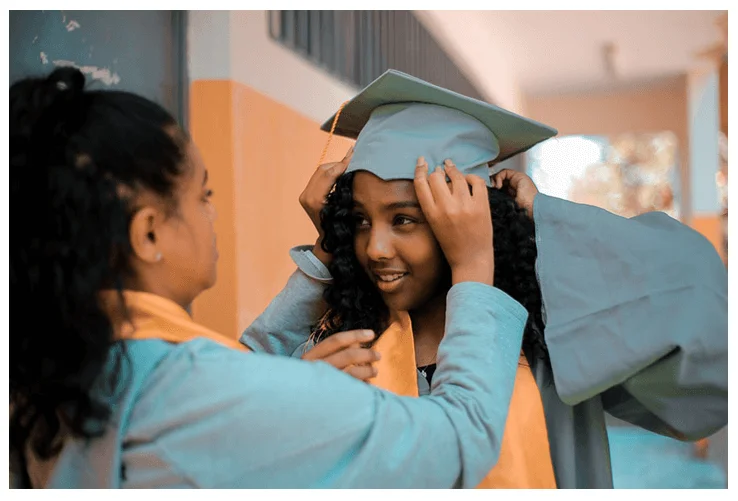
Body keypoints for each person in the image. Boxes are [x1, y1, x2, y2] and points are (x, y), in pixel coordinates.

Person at [10, 67, 530, 488]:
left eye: (405, 219)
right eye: (203, 196)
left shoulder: (57, 371)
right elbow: (462, 438)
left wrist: (326, 257)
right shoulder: (197, 390)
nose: (374, 247)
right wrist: (473, 268)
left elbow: (242, 368)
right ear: (148, 234)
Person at [241, 69, 729, 489]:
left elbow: (702, 307)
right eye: (360, 220)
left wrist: (545, 217)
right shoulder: (341, 348)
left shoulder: (546, 341)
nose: (375, 248)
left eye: (405, 219)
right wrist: (327, 247)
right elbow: (240, 400)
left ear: (470, 218)